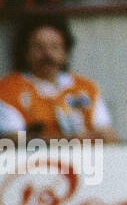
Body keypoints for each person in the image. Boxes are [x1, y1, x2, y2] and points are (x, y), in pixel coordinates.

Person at [0, 14, 119, 143]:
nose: (48, 54)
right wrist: (67, 141)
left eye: (55, 47)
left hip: (87, 160)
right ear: (26, 52)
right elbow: (11, 139)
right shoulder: (8, 89)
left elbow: (108, 135)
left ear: (65, 52)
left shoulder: (86, 87)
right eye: (39, 47)